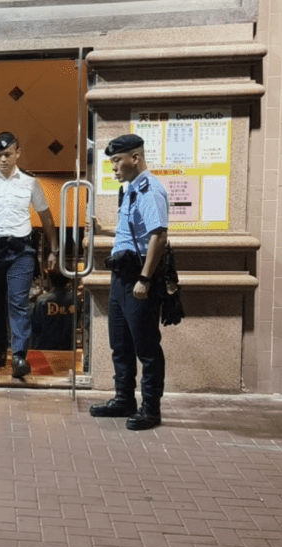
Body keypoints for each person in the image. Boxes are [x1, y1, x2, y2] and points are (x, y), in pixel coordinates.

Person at [0, 131, 59, 378]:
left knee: (18, 302)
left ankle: (19, 357)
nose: (3, 159)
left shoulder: (30, 181)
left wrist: (54, 249)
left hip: (21, 251)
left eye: (7, 154)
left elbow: (46, 216)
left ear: (18, 153)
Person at [89, 133, 168, 431]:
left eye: (117, 161)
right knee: (120, 343)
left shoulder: (150, 190)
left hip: (138, 277)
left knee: (146, 346)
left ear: (135, 158)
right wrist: (104, 229)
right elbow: (132, 232)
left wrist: (145, 279)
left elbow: (158, 236)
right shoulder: (130, 190)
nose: (113, 168)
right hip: (121, 277)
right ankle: (124, 398)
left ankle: (151, 408)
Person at [30, 269, 78, 350]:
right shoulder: (75, 300)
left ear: (50, 280)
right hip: (68, 347)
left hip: (44, 346)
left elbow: (35, 326)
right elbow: (76, 321)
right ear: (67, 280)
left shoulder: (42, 300)